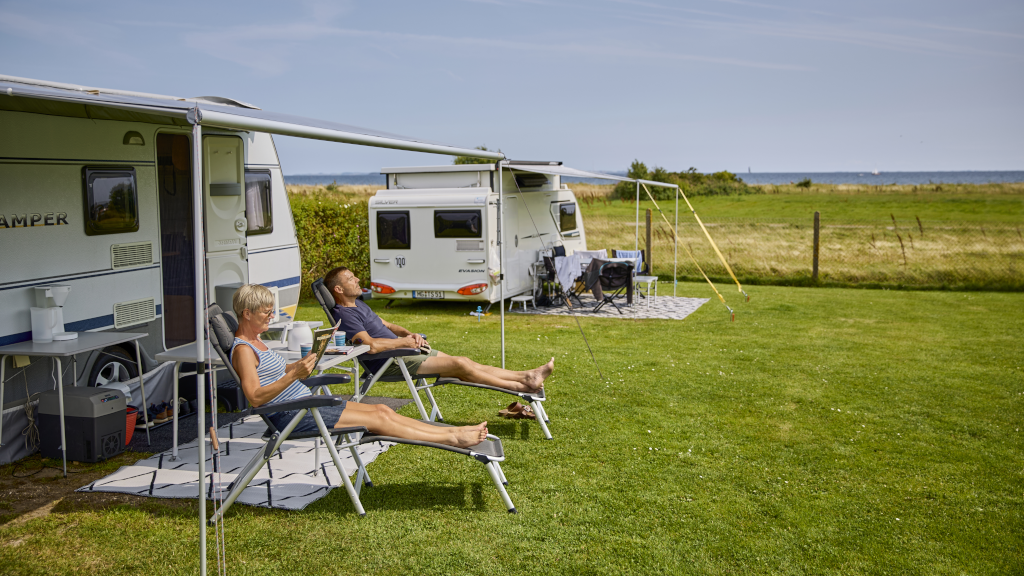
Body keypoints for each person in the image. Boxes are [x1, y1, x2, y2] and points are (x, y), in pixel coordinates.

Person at [229, 284, 488, 448]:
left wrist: (300, 364)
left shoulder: (257, 342)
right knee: (378, 420)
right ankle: (453, 439)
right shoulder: (243, 349)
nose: (271, 317)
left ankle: (454, 431)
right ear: (247, 313)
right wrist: (295, 374)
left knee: (382, 410)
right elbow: (254, 397)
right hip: (293, 415)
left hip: (305, 404)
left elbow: (274, 374)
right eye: (266, 312)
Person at [324, 266, 554, 392]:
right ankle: (520, 387)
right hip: (390, 361)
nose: (356, 279)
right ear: (338, 289)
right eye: (350, 278)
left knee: (466, 363)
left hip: (404, 352)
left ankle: (526, 376)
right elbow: (369, 345)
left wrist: (407, 334)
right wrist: (403, 344)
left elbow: (386, 325)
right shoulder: (343, 315)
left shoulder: (359, 304)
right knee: (461, 366)